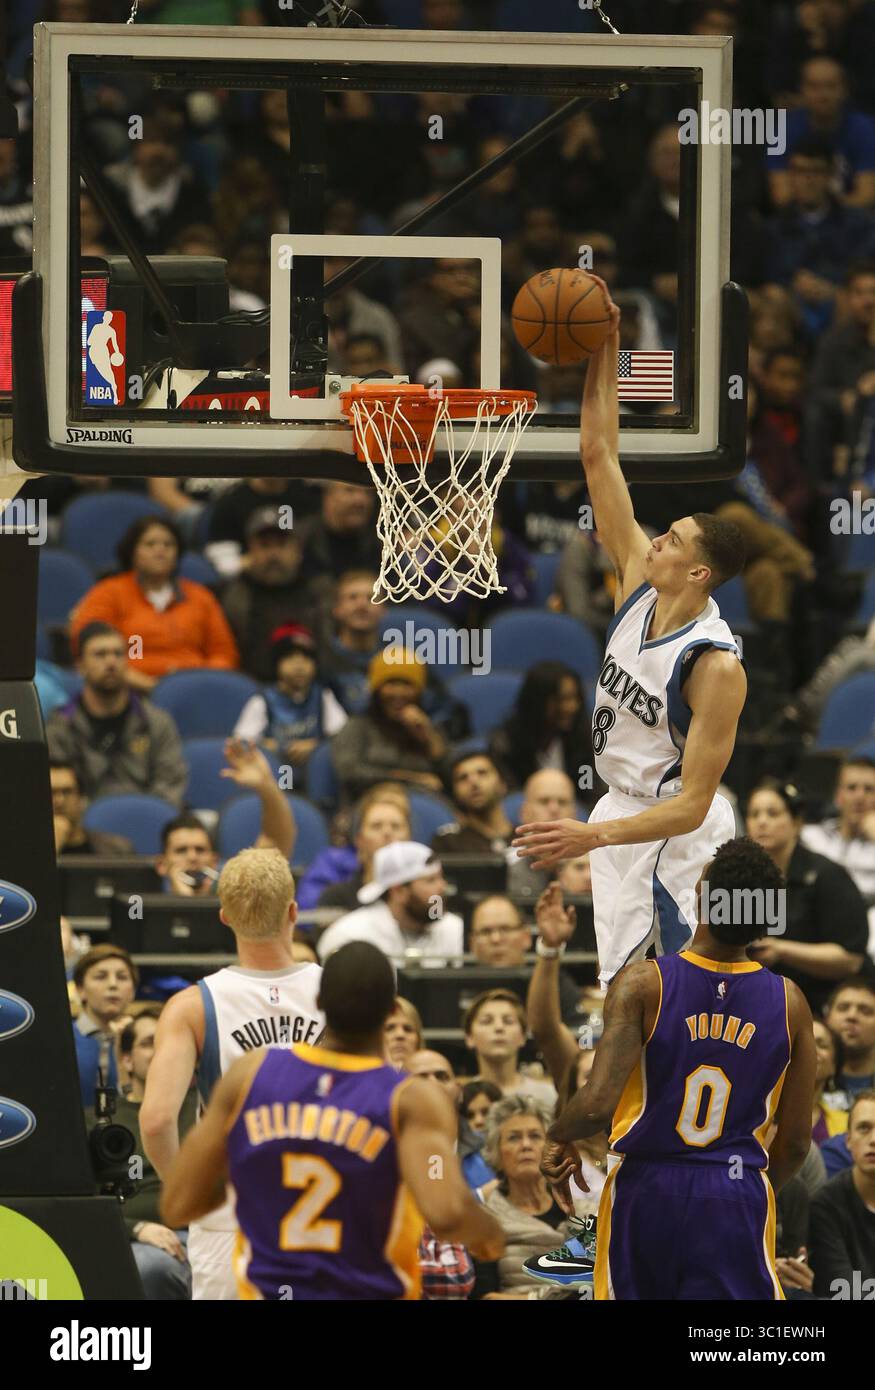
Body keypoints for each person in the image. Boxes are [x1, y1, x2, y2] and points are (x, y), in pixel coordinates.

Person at [513, 281, 748, 992]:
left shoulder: (713, 666)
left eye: (671, 539)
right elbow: (597, 454)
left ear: (698, 572)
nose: (655, 540)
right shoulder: (635, 583)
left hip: (677, 831)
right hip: (617, 811)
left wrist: (589, 837)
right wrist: (603, 347)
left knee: (680, 990)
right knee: (622, 991)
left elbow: (695, 802)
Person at [533, 837, 816, 1300]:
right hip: (736, 1187)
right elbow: (798, 1143)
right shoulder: (791, 1003)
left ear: (702, 898)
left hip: (646, 1187)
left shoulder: (644, 982)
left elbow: (597, 1104)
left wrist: (558, 1134)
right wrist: (741, 1190)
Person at [160, 941, 505, 1299]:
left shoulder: (251, 1075)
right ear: (390, 1011)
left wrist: (250, 1170)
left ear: (319, 1003)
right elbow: (447, 1213)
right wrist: (491, 1236)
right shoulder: (412, 1099)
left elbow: (178, 1203)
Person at [140, 848, 325, 1299]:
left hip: (232, 1218)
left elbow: (157, 1120)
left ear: (224, 916)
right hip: (327, 1212)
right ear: (294, 911)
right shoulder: (343, 992)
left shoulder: (191, 1006)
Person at [85, 1008, 197, 1300]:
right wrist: (136, 1228)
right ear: (126, 1059)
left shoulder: (206, 1108)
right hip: (134, 1237)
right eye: (149, 1042)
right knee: (151, 1267)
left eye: (170, 1041)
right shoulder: (100, 1122)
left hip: (204, 1232)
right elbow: (83, 1202)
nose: (162, 1050)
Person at [70, 515, 239, 693]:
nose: (160, 551)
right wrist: (150, 686)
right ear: (132, 552)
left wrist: (203, 683)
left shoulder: (200, 597)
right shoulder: (108, 592)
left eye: (168, 545)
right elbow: (89, 644)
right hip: (128, 690)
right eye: (150, 544)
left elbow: (224, 654)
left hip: (194, 692)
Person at [745, 779, 870, 1013]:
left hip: (824, 1002)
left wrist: (781, 950)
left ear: (796, 822)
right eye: (754, 814)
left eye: (773, 814)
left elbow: (851, 959)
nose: (762, 822)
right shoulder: (742, 878)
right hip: (766, 1002)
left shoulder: (827, 876)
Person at [46, 623, 188, 806]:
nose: (111, 662)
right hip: (82, 827)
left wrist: (143, 816)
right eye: (100, 654)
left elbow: (170, 784)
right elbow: (57, 790)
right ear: (80, 666)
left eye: (118, 654)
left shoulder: (157, 722)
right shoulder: (60, 725)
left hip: (146, 821)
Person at [471, 1095, 576, 1301]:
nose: (526, 1145)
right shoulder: (485, 1221)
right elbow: (486, 1297)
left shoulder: (583, 1210)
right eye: (514, 1138)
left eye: (536, 1136)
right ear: (496, 1153)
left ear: (550, 1150)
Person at [329, 647, 452, 802]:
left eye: (407, 684)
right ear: (376, 690)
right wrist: (410, 780)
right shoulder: (358, 726)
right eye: (391, 683)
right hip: (370, 810)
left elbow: (453, 778)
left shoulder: (428, 728)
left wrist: (429, 736)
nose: (398, 693)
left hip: (425, 811)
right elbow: (350, 774)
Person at [316, 841, 464, 966]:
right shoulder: (350, 936)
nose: (442, 887)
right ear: (399, 891)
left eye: (441, 878)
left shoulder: (453, 927)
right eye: (431, 880)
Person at [408, 1049, 477, 1300]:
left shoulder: (492, 1151)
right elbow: (453, 1278)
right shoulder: (382, 1158)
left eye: (441, 1076)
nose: (432, 1085)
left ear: (458, 1090)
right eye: (420, 1077)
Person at [219, 508, 318, 682]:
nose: (273, 555)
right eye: (265, 545)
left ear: (298, 551)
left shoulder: (318, 593)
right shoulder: (228, 595)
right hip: (245, 688)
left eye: (281, 545)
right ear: (249, 551)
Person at [232, 623, 347, 770]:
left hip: (312, 773)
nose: (299, 666)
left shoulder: (322, 696)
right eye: (290, 658)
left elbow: (343, 737)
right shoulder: (263, 700)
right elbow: (241, 741)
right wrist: (263, 746)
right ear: (276, 664)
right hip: (273, 775)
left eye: (306, 658)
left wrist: (317, 745)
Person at [469, 895, 582, 1028]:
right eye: (486, 931)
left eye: (505, 929)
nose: (496, 939)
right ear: (472, 943)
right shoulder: (455, 986)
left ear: (526, 937)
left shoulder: (553, 982)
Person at [296, 784, 411, 911]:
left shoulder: (423, 896)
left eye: (396, 826)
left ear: (409, 837)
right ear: (359, 839)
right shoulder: (335, 898)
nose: (387, 833)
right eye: (376, 826)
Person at [488, 662, 596, 795]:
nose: (572, 707)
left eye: (575, 698)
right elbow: (511, 799)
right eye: (563, 699)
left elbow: (589, 791)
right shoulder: (505, 744)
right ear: (537, 701)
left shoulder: (583, 740)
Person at [809, 1091, 875, 1298]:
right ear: (848, 1141)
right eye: (864, 1128)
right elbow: (843, 1291)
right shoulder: (826, 1204)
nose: (873, 1139)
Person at [463, 989, 557, 1109]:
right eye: (486, 1021)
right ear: (469, 1037)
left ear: (523, 1036)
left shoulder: (547, 1096)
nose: (499, 1027)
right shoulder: (461, 1097)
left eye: (508, 1021)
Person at [801, 757, 875, 908]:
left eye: (869, 789)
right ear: (838, 797)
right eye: (851, 788)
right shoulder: (812, 838)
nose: (860, 796)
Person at [72, 944, 138, 1108]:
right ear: (80, 989)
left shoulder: (144, 1042)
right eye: (101, 977)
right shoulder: (62, 1038)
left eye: (122, 977)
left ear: (133, 991)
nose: (113, 984)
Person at [431, 752, 514, 857]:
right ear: (455, 793)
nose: (473, 782)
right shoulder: (447, 843)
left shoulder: (527, 838)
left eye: (482, 773)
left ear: (503, 784)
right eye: (462, 777)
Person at [50, 761, 133, 856]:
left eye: (67, 792)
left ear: (81, 797)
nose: (59, 801)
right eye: (51, 792)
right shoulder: (31, 852)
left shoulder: (116, 849)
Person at [826, 979, 875, 1097]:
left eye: (865, 1011)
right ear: (827, 1018)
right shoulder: (805, 1079)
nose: (852, 1016)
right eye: (843, 1008)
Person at [812, 1018, 850, 1146]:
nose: (811, 1049)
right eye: (802, 1042)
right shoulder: (759, 1111)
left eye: (821, 1045)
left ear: (834, 1065)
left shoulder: (846, 1125)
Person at [383, 997, 424, 1070]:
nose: (400, 1035)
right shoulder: (358, 1078)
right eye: (390, 1028)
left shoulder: (432, 1078)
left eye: (408, 1029)